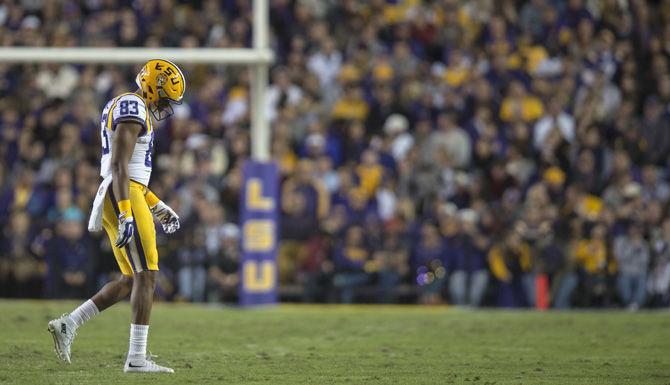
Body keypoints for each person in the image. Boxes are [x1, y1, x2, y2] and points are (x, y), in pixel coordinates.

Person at [47, 59, 185, 373]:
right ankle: (136, 359)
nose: (165, 106)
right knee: (148, 275)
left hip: (126, 194)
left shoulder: (127, 104)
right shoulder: (133, 106)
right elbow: (120, 167)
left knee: (130, 279)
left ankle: (69, 323)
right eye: (165, 98)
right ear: (153, 86)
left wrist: (156, 204)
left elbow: (131, 170)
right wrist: (126, 213)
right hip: (123, 196)